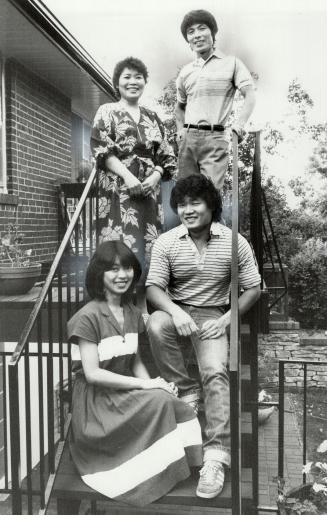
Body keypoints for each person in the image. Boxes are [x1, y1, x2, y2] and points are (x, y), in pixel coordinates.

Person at [146, 175, 261, 499]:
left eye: (195, 202)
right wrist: (176, 312)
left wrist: (226, 320)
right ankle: (185, 389)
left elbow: (253, 288)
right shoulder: (167, 242)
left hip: (213, 316)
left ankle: (215, 459)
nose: (188, 210)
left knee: (215, 371)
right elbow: (154, 288)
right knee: (155, 324)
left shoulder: (234, 241)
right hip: (177, 311)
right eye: (182, 204)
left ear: (211, 205)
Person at [67, 241, 202, 506]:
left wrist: (156, 383)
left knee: (178, 405)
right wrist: (147, 386)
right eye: (113, 269)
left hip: (122, 391)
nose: (122, 275)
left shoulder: (131, 312)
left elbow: (136, 360)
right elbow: (93, 374)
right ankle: (150, 477)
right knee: (161, 402)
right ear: (99, 274)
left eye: (127, 268)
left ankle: (189, 467)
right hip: (96, 402)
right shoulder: (86, 317)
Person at [90, 56, 176, 311]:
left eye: (138, 77)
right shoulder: (106, 111)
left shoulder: (153, 116)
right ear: (117, 83)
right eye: (127, 77)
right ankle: (117, 308)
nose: (133, 82)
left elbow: (168, 156)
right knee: (120, 245)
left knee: (149, 246)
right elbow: (100, 148)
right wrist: (128, 177)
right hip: (119, 190)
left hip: (149, 193)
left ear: (144, 82)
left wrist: (155, 176)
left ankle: (142, 309)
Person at [175, 9, 256, 190]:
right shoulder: (185, 72)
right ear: (188, 40)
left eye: (201, 28)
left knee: (209, 196)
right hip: (188, 140)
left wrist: (240, 124)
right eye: (191, 32)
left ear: (212, 33)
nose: (196, 35)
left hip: (215, 138)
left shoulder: (232, 63)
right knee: (186, 195)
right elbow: (179, 107)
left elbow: (250, 94)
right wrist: (180, 131)